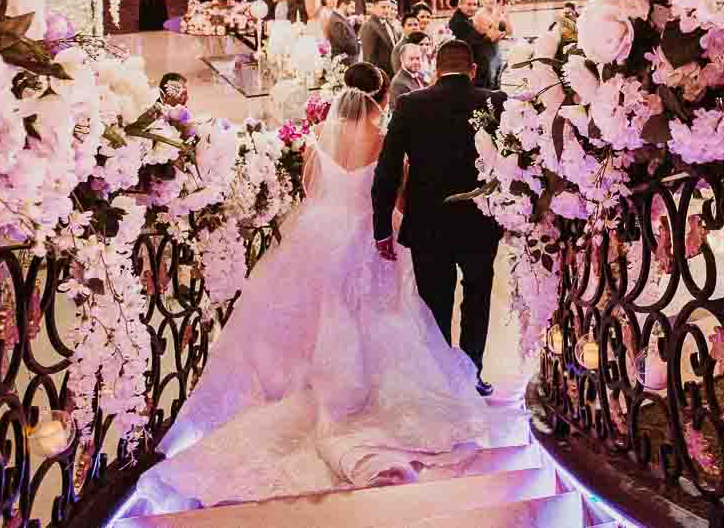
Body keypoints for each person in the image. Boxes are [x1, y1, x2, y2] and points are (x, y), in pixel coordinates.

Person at [121, 63, 517, 515]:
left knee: (315, 310)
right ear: (381, 97)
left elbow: (310, 188)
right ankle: (357, 389)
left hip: (320, 230)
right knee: (373, 312)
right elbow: (391, 192)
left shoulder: (317, 142)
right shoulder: (382, 141)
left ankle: (305, 378)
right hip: (365, 234)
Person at [371, 41, 505, 396]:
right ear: (473, 69)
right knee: (477, 296)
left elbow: (387, 170)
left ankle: (440, 378)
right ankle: (472, 371)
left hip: (428, 222)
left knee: (435, 302)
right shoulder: (495, 101)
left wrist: (382, 225)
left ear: (435, 69)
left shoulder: (411, 104)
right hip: (480, 220)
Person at [447, 0, 494, 86]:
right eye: (469, 4)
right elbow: (475, 43)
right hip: (472, 70)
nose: (472, 8)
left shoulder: (464, 19)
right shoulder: (459, 22)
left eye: (475, 4)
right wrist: (490, 37)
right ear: (460, 4)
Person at [359, 0, 397, 75]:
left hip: (392, 72)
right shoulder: (369, 26)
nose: (387, 10)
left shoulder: (388, 23)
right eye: (383, 7)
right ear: (374, 8)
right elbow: (368, 58)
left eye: (388, 7)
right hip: (380, 75)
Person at [323, 0, 361, 65]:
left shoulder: (341, 19)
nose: (353, 11)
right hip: (343, 62)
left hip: (349, 60)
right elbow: (346, 45)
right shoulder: (337, 22)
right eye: (352, 7)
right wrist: (359, 44)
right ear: (343, 5)